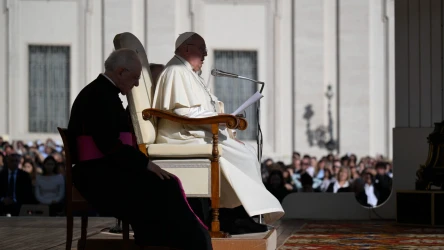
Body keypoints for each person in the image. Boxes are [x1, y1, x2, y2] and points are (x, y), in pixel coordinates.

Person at [67, 48, 212, 249]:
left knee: (165, 185)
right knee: (163, 188)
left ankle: (170, 242)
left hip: (105, 168)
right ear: (120, 72)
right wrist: (145, 164)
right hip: (96, 175)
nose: (136, 83)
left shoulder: (103, 92)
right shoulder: (99, 96)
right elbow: (109, 144)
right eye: (134, 77)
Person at [152, 32, 285, 234]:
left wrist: (222, 119)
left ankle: (238, 215)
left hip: (193, 132)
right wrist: (220, 120)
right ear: (187, 48)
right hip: (181, 136)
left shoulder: (188, 72)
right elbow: (182, 112)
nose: (205, 54)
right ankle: (234, 216)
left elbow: (197, 110)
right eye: (201, 49)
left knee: (246, 151)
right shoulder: (176, 70)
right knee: (244, 156)